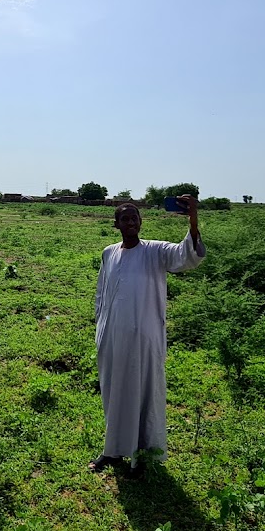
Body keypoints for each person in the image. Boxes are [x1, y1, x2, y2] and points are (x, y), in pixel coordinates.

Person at [89, 195, 206, 476]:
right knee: (114, 394)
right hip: (112, 339)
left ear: (141, 222)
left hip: (144, 340)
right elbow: (101, 294)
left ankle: (141, 455)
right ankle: (113, 450)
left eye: (134, 218)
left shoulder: (156, 251)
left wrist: (192, 219)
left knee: (143, 395)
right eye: (124, 219)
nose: (130, 222)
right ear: (116, 224)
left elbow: (187, 256)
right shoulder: (109, 253)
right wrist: (100, 328)